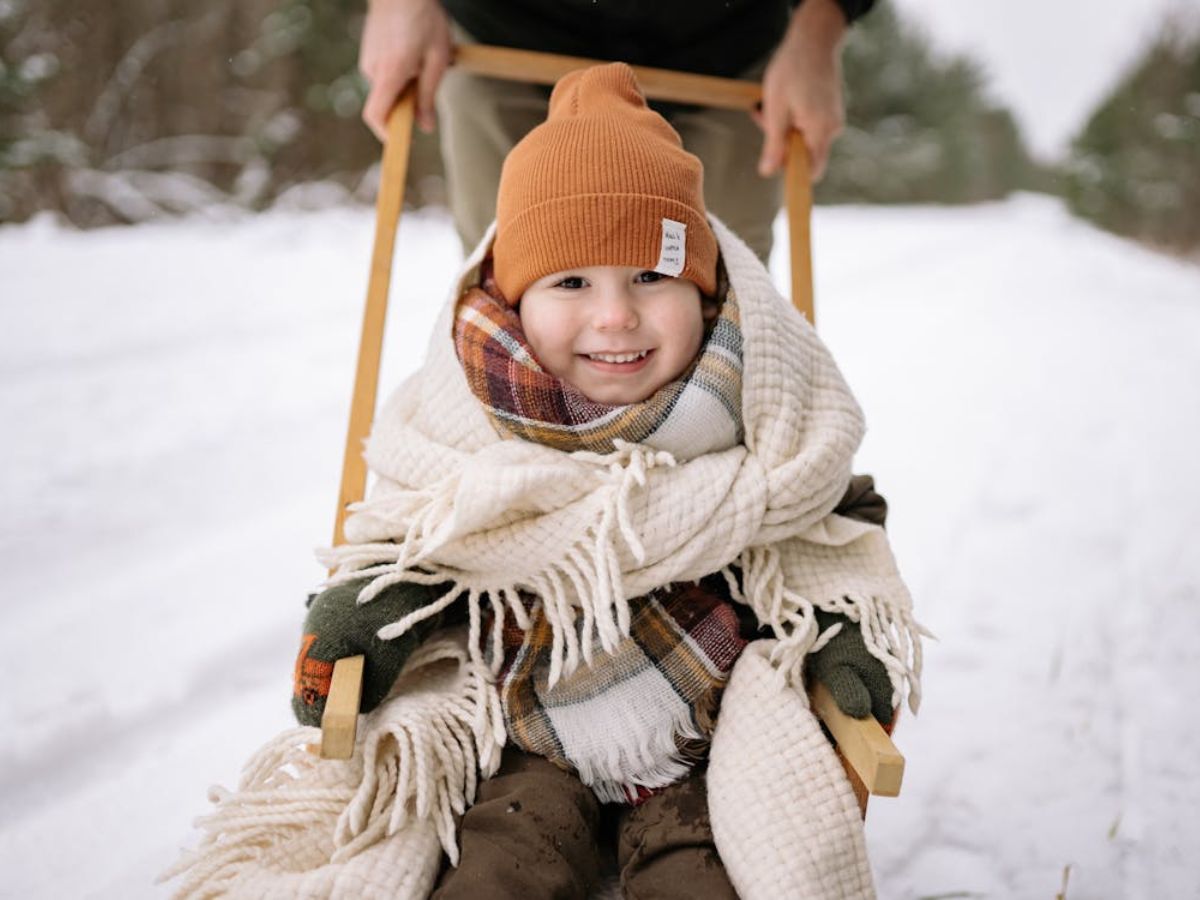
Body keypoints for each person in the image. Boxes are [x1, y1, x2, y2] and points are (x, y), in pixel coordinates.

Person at [292, 63, 922, 898]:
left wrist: (849, 640)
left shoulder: (765, 421)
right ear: (515, 301)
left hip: (703, 733)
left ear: (705, 292)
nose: (616, 316)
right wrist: (366, 616)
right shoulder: (466, 424)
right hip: (520, 732)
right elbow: (421, 538)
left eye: (652, 277)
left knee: (707, 874)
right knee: (499, 870)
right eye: (571, 282)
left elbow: (834, 527)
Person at [357, 0, 874, 260]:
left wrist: (820, 27)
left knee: (725, 287)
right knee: (511, 275)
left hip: (725, 51)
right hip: (505, 35)